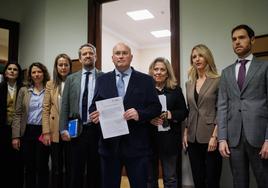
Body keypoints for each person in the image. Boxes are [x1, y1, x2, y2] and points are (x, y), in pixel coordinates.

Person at [89, 42, 162, 188]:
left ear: (131, 57)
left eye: (124, 53)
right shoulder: (102, 80)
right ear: (112, 58)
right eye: (117, 53)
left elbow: (156, 107)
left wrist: (139, 113)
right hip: (109, 147)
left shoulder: (145, 80)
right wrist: (94, 115)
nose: (121, 56)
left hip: (137, 146)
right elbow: (93, 106)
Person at [217, 24, 268, 188]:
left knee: (264, 179)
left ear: (252, 40)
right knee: (239, 182)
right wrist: (222, 138)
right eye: (234, 39)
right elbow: (222, 106)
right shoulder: (226, 72)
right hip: (234, 138)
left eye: (241, 37)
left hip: (259, 136)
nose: (237, 42)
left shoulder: (265, 67)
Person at [59, 43, 103, 188]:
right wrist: (63, 128)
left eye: (90, 53)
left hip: (96, 130)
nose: (88, 56)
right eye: (84, 54)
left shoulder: (104, 77)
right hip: (75, 129)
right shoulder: (71, 79)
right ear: (79, 58)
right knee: (75, 170)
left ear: (95, 56)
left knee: (94, 169)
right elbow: (64, 105)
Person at [182, 44, 222, 188]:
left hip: (211, 136)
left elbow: (221, 109)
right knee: (198, 179)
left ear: (207, 58)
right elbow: (189, 109)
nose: (197, 59)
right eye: (194, 57)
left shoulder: (218, 80)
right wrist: (185, 132)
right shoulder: (189, 83)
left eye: (200, 55)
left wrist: (215, 136)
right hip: (192, 137)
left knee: (212, 180)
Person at [148, 57, 188, 188]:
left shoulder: (175, 90)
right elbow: (139, 112)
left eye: (162, 70)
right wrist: (149, 119)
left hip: (169, 141)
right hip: (149, 140)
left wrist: (171, 114)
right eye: (156, 69)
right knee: (150, 178)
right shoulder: (145, 90)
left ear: (167, 73)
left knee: (170, 178)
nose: (158, 72)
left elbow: (184, 112)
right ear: (152, 71)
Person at [12, 62, 50, 188]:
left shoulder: (49, 89)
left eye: (39, 71)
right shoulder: (24, 91)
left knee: (42, 165)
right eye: (33, 72)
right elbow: (17, 114)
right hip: (27, 131)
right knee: (29, 166)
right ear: (30, 75)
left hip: (43, 131)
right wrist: (15, 136)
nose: (36, 74)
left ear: (43, 73)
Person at [42, 53, 72, 188]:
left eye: (66, 64)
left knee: (71, 166)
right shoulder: (50, 84)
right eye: (60, 65)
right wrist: (46, 132)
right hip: (54, 130)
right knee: (56, 166)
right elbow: (46, 109)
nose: (63, 67)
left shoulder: (75, 81)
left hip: (71, 129)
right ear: (56, 67)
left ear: (70, 66)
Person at [0, 62, 24, 188]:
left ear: (18, 73)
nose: (12, 71)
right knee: (4, 158)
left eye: (15, 69)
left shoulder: (23, 88)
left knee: (17, 159)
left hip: (19, 129)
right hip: (3, 128)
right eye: (9, 69)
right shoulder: (1, 87)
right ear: (5, 72)